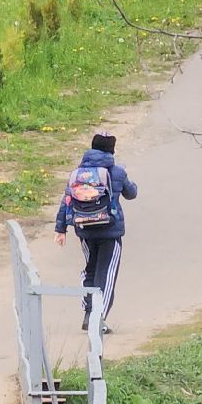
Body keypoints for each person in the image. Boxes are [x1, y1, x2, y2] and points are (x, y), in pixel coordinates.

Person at [54, 132, 137, 333]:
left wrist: (61, 228)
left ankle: (88, 311)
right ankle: (97, 318)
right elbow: (132, 193)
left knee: (90, 270)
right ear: (112, 150)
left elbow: (66, 201)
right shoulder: (117, 172)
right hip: (110, 231)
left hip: (85, 231)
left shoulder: (78, 174)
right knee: (106, 275)